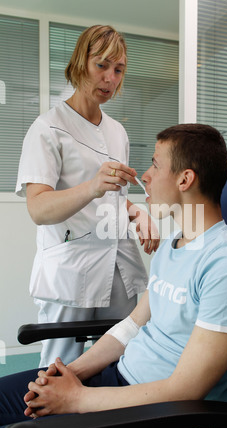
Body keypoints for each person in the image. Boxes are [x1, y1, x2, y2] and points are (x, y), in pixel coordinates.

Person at [0, 124, 227, 428]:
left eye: (156, 165)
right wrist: (68, 374)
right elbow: (131, 326)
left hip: (161, 423)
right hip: (117, 385)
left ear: (185, 180)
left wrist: (77, 399)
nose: (145, 175)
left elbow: (185, 392)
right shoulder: (175, 244)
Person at [15, 25, 159, 367]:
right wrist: (93, 186)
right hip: (70, 267)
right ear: (81, 62)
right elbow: (38, 208)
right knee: (59, 369)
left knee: (120, 360)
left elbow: (111, 199)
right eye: (102, 65)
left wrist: (138, 213)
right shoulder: (47, 129)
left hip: (117, 265)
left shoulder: (117, 131)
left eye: (118, 69)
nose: (110, 78)